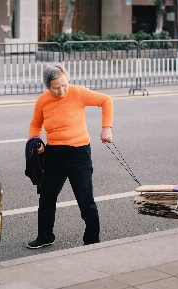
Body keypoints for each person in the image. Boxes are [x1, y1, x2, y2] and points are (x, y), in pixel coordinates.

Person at [27, 63, 113, 249]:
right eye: (56, 87)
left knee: (85, 199)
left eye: (64, 84)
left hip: (78, 152)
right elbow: (35, 125)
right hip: (54, 154)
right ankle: (45, 236)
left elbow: (106, 100)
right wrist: (36, 142)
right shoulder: (42, 101)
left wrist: (106, 128)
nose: (62, 90)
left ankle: (92, 240)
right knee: (47, 198)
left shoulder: (78, 92)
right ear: (47, 86)